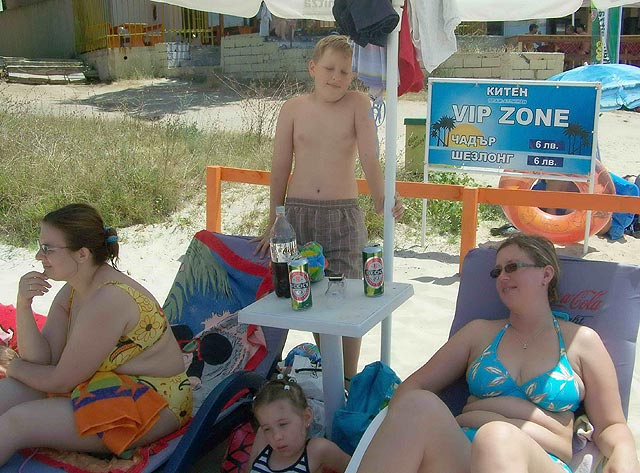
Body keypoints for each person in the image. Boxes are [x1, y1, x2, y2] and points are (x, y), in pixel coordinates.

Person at [357, 233, 640, 473]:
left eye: (512, 267)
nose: (502, 277)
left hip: (539, 460)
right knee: (416, 404)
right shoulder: (479, 333)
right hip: (463, 454)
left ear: (546, 274)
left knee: (497, 437)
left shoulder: (580, 342)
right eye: (497, 271)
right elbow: (413, 387)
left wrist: (624, 456)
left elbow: (612, 424)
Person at [254, 34, 404, 382]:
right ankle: (330, 376)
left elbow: (370, 157)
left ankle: (346, 380)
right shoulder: (293, 108)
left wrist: (383, 199)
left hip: (343, 215)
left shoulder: (358, 103)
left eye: (344, 72)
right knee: (309, 299)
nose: (336, 77)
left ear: (353, 75)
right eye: (329, 69)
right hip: (297, 217)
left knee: (346, 302)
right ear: (313, 68)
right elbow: (280, 167)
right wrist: (273, 221)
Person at [0, 203, 192, 466]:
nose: (38, 256)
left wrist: (13, 366)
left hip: (151, 400)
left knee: (17, 422)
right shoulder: (73, 289)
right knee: (8, 392)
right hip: (101, 384)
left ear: (82, 254)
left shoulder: (109, 299)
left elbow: (59, 381)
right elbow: (42, 360)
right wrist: (23, 304)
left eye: (48, 249)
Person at [246, 378, 350, 473]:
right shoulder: (263, 437)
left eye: (283, 424)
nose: (277, 436)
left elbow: (356, 467)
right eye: (267, 429)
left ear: (306, 417)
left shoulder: (317, 450)